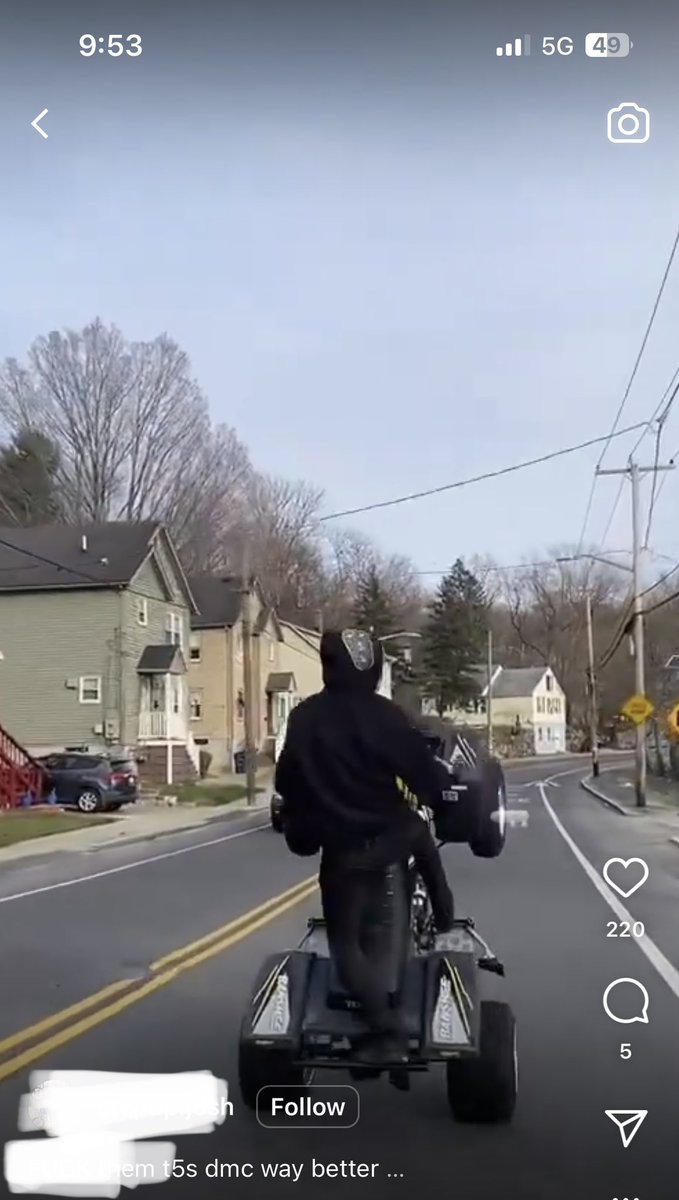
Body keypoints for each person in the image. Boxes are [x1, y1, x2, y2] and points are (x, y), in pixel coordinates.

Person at [274, 627, 454, 1064]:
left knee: (346, 944)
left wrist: (306, 821)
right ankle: (443, 909)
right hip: (393, 839)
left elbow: (286, 783)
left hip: (344, 853)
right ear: (372, 666)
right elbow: (427, 778)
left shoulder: (304, 719)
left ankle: (383, 1026)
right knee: (418, 831)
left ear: (327, 664)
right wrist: (440, 786)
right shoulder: (386, 716)